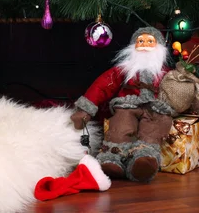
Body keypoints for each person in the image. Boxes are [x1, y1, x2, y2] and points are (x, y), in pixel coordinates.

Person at [70, 27, 175, 182]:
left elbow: (180, 89)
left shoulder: (167, 73)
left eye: (150, 41)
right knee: (120, 126)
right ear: (133, 46)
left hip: (156, 108)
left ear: (159, 47)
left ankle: (144, 160)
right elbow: (102, 86)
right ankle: (112, 159)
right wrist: (85, 109)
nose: (145, 45)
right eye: (140, 41)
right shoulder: (124, 70)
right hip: (127, 105)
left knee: (156, 126)